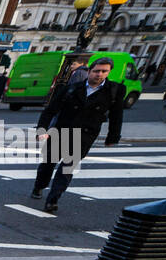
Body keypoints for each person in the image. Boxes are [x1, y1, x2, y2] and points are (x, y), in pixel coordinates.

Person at [31, 57, 126, 214]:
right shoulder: (72, 88)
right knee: (48, 164)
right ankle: (39, 186)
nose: (99, 74)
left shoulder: (114, 91)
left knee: (67, 168)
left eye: (104, 71)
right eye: (96, 71)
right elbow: (50, 110)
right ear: (89, 71)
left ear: (109, 72)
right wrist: (42, 129)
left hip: (84, 135)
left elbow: (117, 115)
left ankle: (53, 200)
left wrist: (112, 137)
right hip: (61, 131)